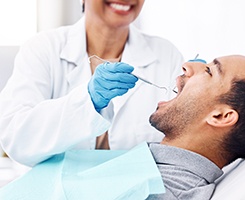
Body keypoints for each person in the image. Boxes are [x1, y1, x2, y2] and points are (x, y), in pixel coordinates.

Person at [0, 0, 184, 167]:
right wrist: (86, 101)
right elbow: (16, 138)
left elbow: (182, 142)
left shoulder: (166, 55)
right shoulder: (43, 48)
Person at [146, 52, 245, 199]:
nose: (186, 66)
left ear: (220, 116)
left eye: (209, 71)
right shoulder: (154, 168)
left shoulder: (161, 193)